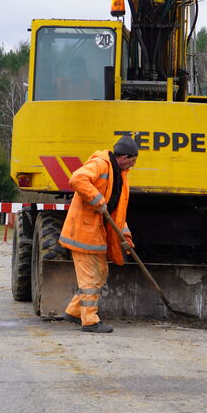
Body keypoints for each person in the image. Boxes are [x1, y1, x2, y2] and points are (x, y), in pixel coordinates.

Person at [58, 134, 139, 333]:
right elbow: (77, 178)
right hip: (83, 234)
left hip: (96, 235)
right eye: (132, 161)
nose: (132, 165)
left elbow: (117, 213)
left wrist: (126, 237)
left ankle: (74, 311)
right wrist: (97, 200)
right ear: (124, 157)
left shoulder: (119, 175)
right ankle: (90, 321)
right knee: (90, 280)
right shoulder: (100, 164)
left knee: (101, 275)